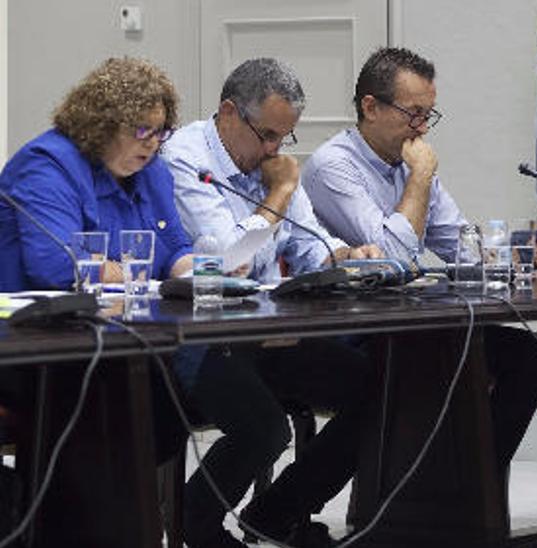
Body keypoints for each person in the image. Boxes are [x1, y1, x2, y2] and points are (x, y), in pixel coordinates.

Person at [301, 47, 537, 474]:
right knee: (405, 377)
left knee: (532, 354)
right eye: (413, 113)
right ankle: (281, 509)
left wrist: (516, 254)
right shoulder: (333, 166)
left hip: (408, 325)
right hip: (349, 329)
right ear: (371, 107)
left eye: (428, 115)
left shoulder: (409, 161)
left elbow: (459, 245)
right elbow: (393, 258)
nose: (421, 127)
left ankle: (474, 485)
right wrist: (419, 177)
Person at [161, 58, 380, 547]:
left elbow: (308, 245)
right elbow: (226, 259)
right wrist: (279, 191)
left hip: (266, 334)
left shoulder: (268, 158)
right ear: (228, 113)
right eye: (266, 136)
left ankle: (278, 511)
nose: (274, 150)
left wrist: (346, 256)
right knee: (267, 429)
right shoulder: (183, 158)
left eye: (284, 138)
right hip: (200, 338)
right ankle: (193, 523)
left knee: (381, 389)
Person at [0, 57, 192, 465]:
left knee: (168, 400)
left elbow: (173, 247)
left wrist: (201, 275)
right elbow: (57, 265)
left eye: (161, 132)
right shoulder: (47, 164)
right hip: (30, 347)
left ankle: (122, 524)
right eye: (142, 130)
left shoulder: (152, 172)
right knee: (135, 402)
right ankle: (81, 525)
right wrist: (133, 272)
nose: (153, 142)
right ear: (103, 124)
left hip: (111, 340)